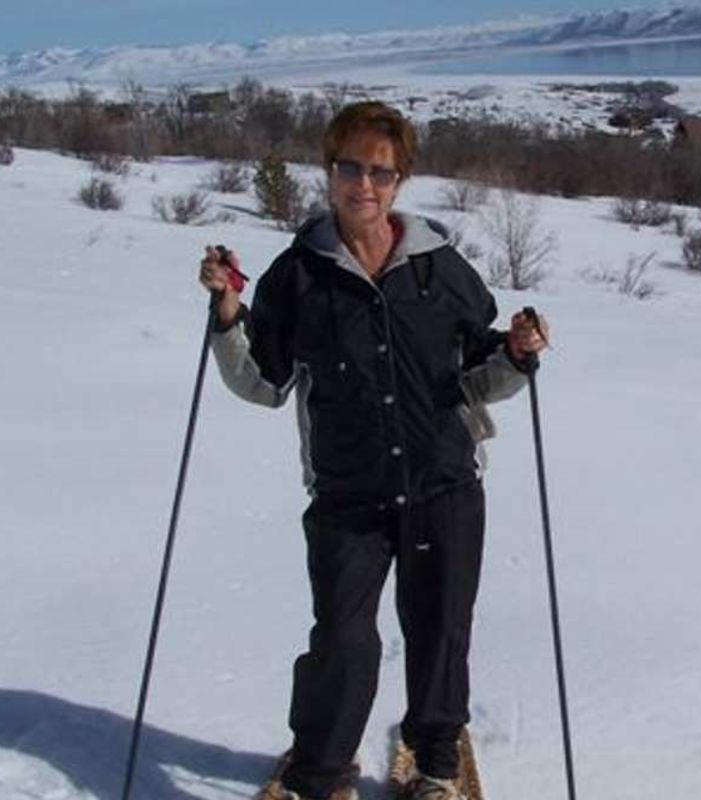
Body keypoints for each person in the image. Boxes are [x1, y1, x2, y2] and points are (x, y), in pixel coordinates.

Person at [197, 101, 550, 800]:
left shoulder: (440, 269)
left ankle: (436, 764)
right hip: (348, 494)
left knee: (441, 631)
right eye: (351, 168)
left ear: (399, 180)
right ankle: (322, 772)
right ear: (329, 171)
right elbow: (264, 382)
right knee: (343, 638)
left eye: (381, 172)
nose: (365, 184)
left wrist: (517, 351)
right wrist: (228, 313)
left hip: (444, 484)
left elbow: (479, 369)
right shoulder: (298, 275)